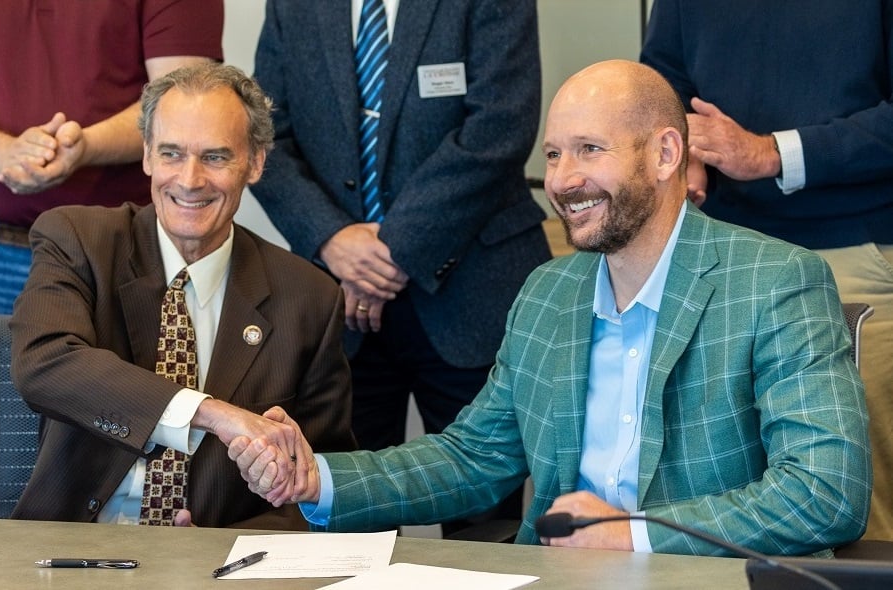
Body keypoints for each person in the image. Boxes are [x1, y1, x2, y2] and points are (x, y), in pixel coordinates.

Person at [229, 60, 872, 556]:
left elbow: (825, 492)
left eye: (589, 150)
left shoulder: (778, 281)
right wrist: (318, 480)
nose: (563, 180)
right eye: (555, 154)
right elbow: (473, 459)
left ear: (666, 153)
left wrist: (634, 536)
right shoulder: (547, 292)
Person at [8, 63, 356, 528]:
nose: (190, 180)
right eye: (171, 153)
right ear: (147, 155)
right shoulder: (78, 239)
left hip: (219, 564)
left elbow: (320, 491)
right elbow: (44, 364)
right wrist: (213, 414)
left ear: (255, 163)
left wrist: (224, 550)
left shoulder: (308, 298)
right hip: (73, 548)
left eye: (214, 157)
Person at [250, 0, 550, 531]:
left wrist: (392, 250)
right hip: (336, 308)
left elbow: (500, 126)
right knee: (343, 512)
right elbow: (263, 133)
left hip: (470, 291)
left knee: (484, 523)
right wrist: (333, 240)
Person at [0, 0, 224, 514]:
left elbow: (186, 99)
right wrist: (4, 154)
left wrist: (81, 147)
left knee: (142, 474)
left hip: (130, 261)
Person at [639, 0, 893, 541]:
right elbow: (663, 81)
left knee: (857, 496)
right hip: (720, 251)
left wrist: (773, 152)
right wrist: (686, 153)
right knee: (716, 484)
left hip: (850, 247)